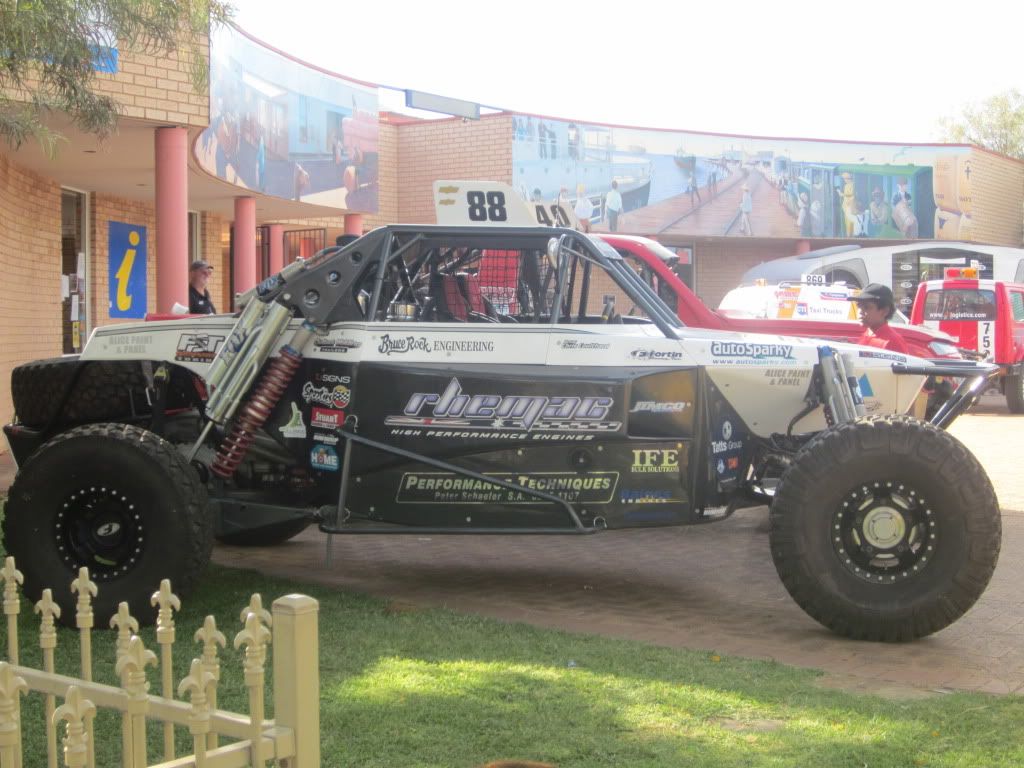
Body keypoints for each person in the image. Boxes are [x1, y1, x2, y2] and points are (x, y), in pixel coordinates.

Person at [846, 283, 909, 353]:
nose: (860, 311)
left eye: (867, 307)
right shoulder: (868, 334)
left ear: (884, 311)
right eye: (859, 306)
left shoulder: (893, 342)